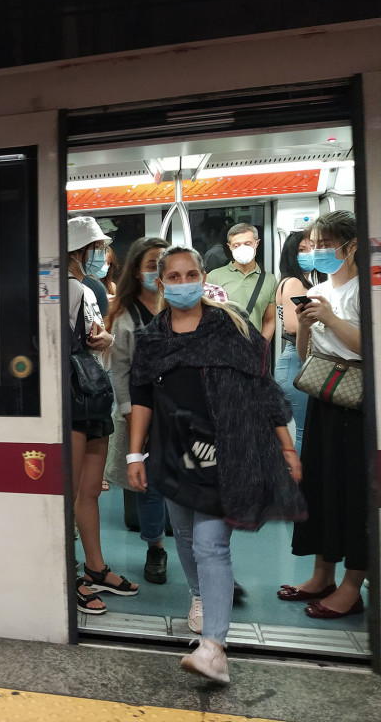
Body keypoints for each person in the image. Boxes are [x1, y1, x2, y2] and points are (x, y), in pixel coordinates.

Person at [128, 245, 305, 684]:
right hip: (173, 453)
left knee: (211, 544)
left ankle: (214, 648)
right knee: (185, 537)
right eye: (174, 276)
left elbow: (263, 389)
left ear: (202, 276)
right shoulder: (152, 337)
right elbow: (142, 397)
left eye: (191, 274)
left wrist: (286, 447)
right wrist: (135, 453)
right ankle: (200, 597)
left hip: (225, 452)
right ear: (161, 281)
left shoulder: (229, 325)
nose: (183, 283)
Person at [282, 210, 367, 619]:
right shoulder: (318, 289)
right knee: (320, 488)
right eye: (312, 245)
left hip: (357, 403)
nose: (316, 252)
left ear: (351, 246)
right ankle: (322, 574)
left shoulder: (365, 290)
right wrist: (303, 325)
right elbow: (306, 357)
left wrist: (330, 318)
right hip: (323, 399)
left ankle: (352, 586)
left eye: (325, 244)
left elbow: (369, 347)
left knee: (353, 494)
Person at [67, 217, 136, 616]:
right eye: (95, 248)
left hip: (92, 391)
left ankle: (95, 567)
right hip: (76, 396)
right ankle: (69, 572)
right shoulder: (64, 290)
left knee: (89, 489)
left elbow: (97, 344)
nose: (101, 255)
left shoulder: (90, 289)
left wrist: (106, 341)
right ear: (79, 252)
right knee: (71, 492)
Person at [105, 237, 170, 585]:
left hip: (184, 414)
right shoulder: (126, 317)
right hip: (142, 415)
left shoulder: (183, 306)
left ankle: (204, 551)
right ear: (136, 270)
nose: (158, 273)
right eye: (151, 265)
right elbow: (120, 374)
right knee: (150, 487)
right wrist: (134, 423)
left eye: (164, 264)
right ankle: (155, 548)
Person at [273, 231, 316, 454]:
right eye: (301, 250)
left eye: (312, 248)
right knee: (303, 432)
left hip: (293, 362)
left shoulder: (299, 281)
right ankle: (301, 483)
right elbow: (291, 326)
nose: (308, 254)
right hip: (296, 361)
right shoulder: (294, 283)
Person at [205, 223, 277, 340]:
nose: (242, 248)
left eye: (247, 244)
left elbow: (269, 321)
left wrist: (261, 348)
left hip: (254, 349)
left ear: (256, 243)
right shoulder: (213, 277)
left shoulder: (269, 280)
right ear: (230, 247)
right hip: (222, 348)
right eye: (236, 245)